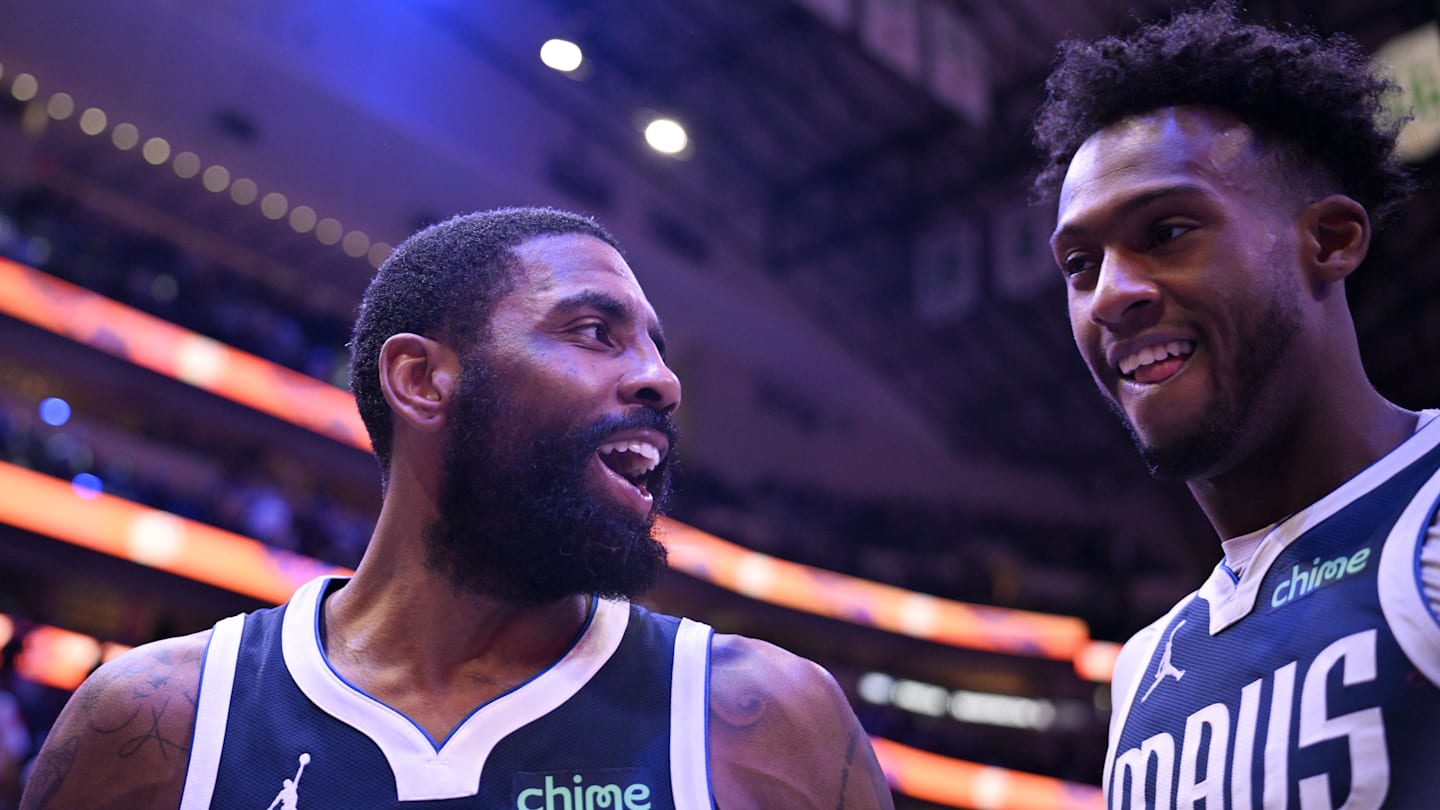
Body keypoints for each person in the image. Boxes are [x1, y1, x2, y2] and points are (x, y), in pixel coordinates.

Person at [19, 208, 894, 809]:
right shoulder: (154, 723)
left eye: (657, 349)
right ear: (422, 380)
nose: (662, 380)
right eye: (595, 332)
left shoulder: (772, 723)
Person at [1033, 3, 1440, 807]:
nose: (1109, 295)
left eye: (1167, 231)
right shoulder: (1146, 671)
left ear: (1329, 239)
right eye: (1080, 264)